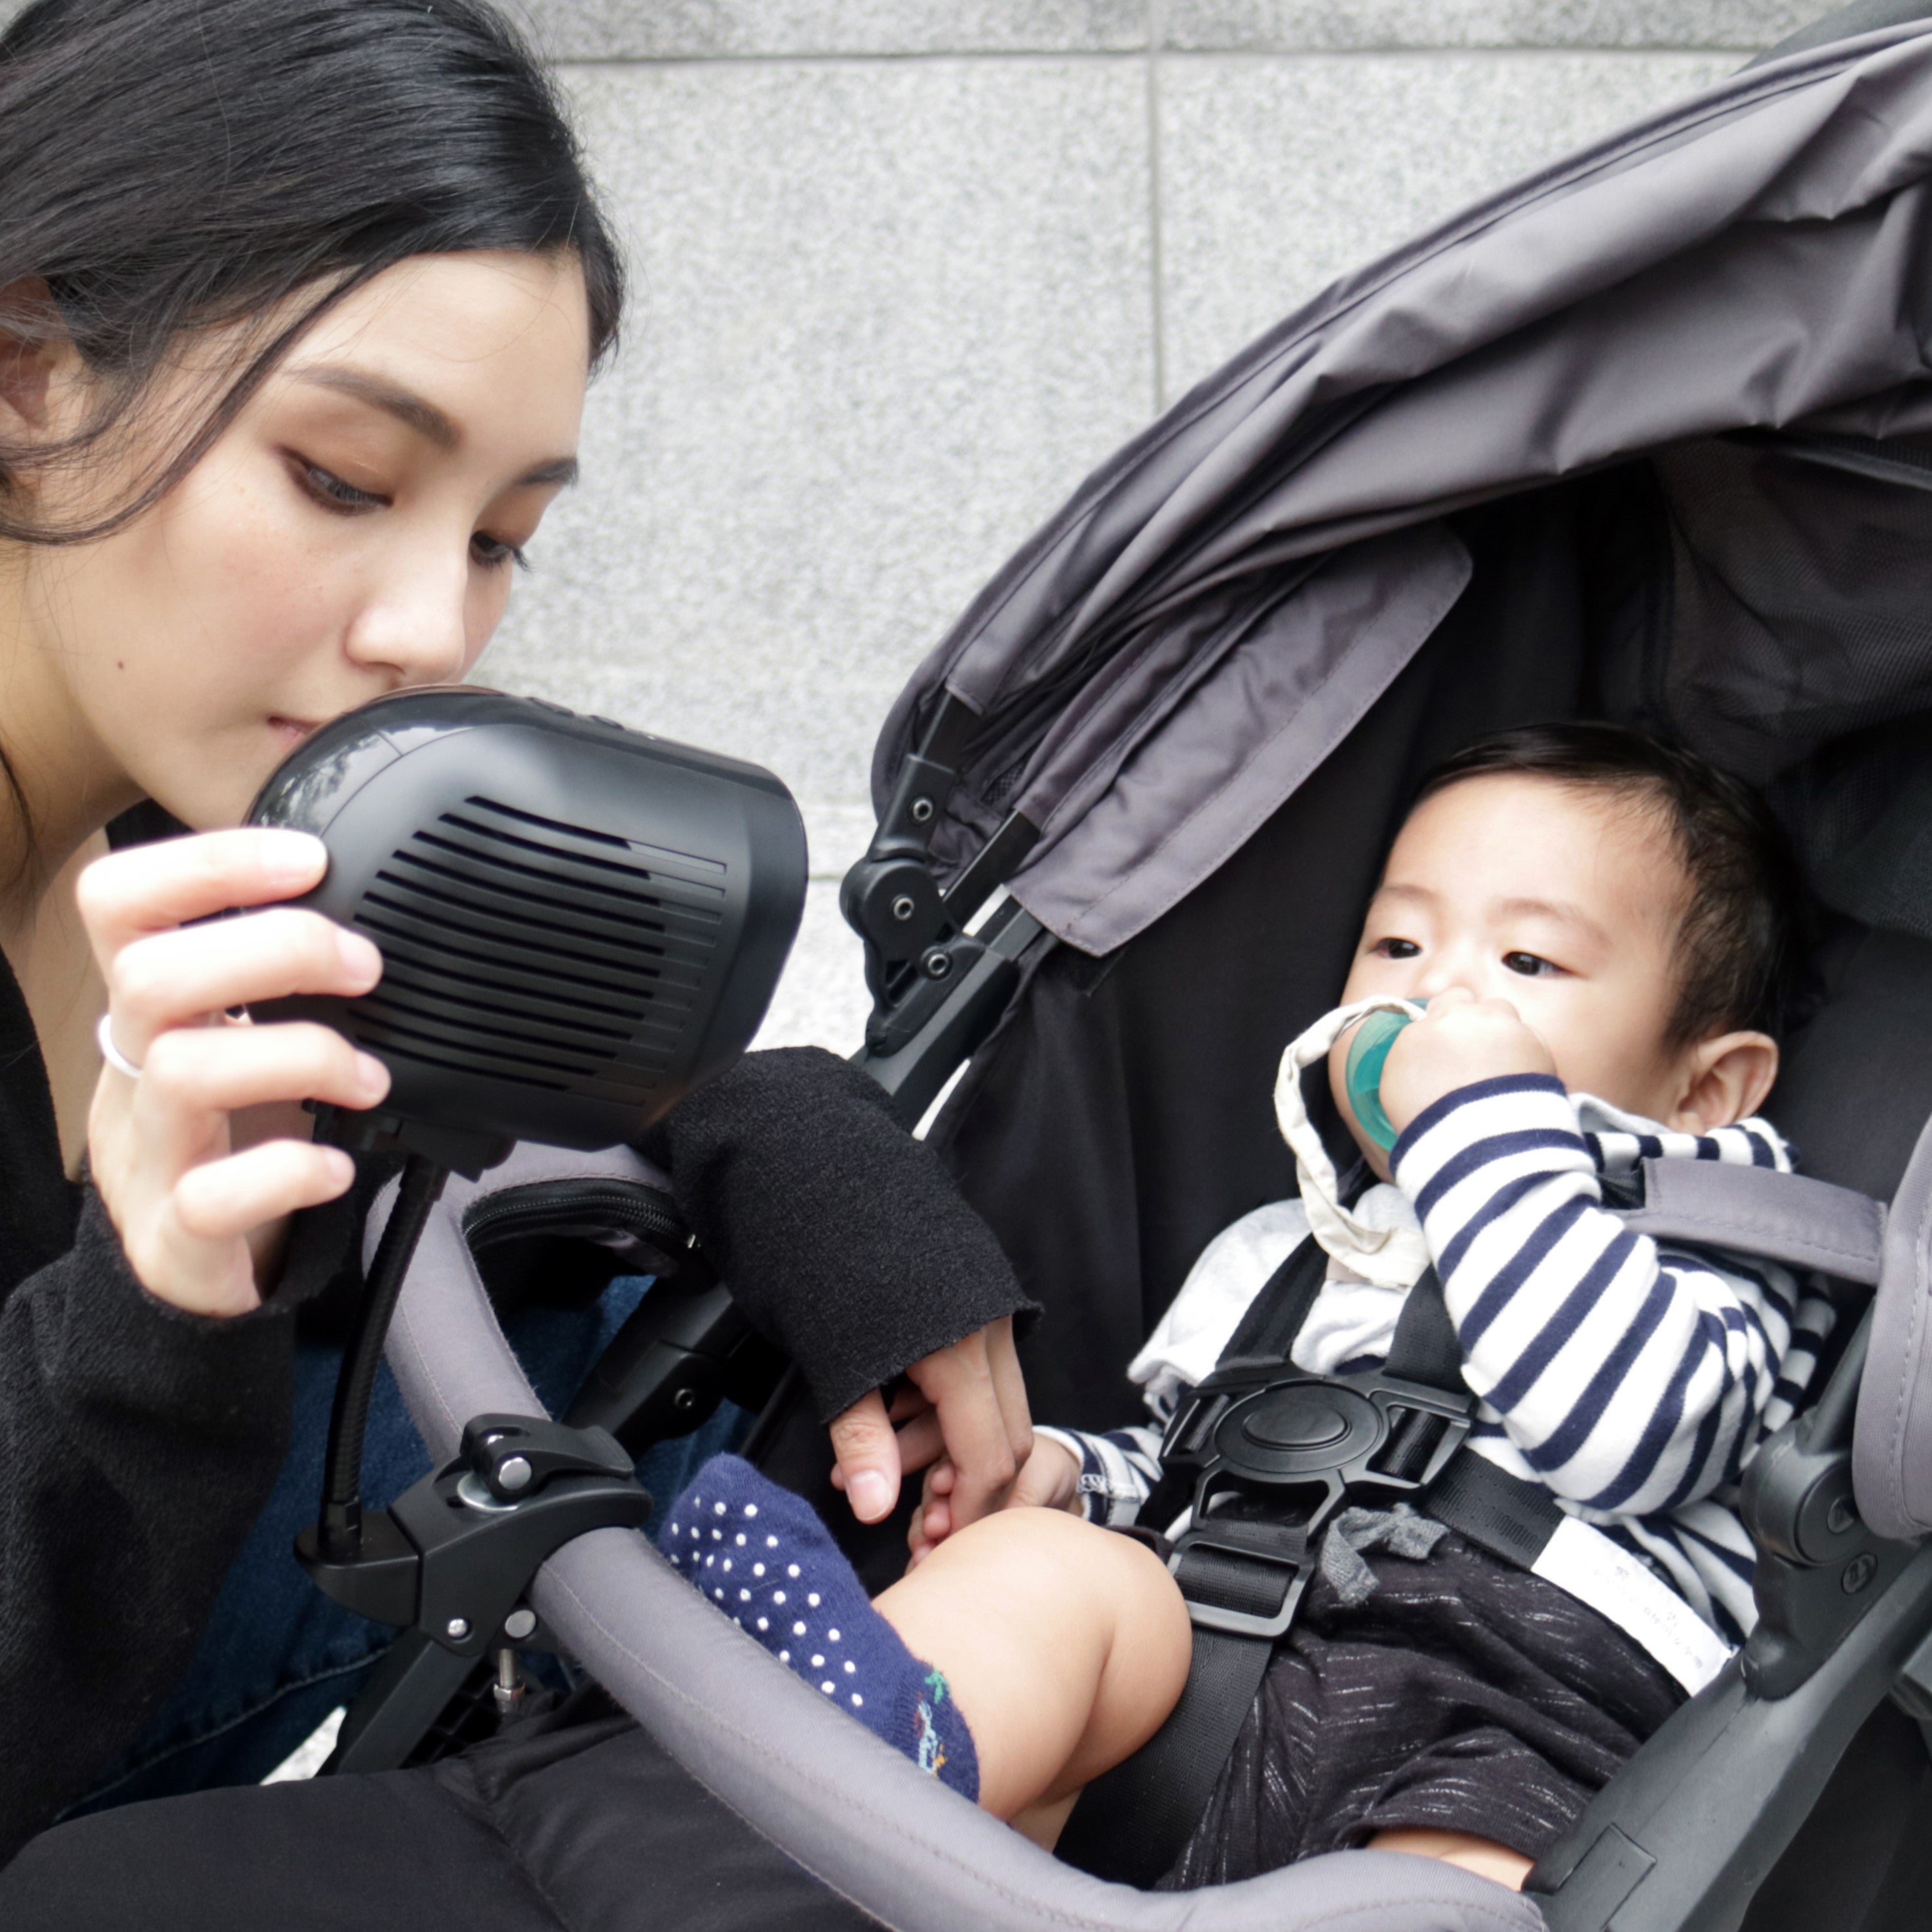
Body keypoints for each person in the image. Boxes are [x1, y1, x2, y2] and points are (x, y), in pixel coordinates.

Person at [0, 0, 1035, 1857]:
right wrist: (151, 1307)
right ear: (25, 370)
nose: (430, 632)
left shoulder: (203, 824)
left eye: (497, 536)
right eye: (341, 478)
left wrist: (760, 1121)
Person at [670, 723, 1830, 1891]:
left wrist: (1488, 1128)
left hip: (1518, 1712)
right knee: (1058, 1575)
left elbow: (1633, 1441)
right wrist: (1072, 1474)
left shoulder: (1720, 1239)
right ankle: (871, 1753)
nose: (1438, 990)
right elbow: (1195, 1460)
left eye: (1528, 964)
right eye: (1397, 942)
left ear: (1705, 1087)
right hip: (1213, 1667)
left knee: (1456, 1893)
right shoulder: (1281, 1252)